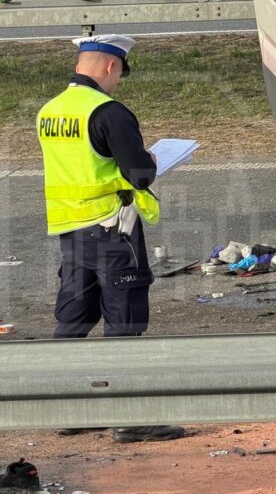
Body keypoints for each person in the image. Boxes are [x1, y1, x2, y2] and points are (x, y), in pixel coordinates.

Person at [37, 34, 184, 444]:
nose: (117, 81)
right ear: (109, 67)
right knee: (125, 319)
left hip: (71, 230)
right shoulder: (109, 112)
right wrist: (152, 161)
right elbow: (139, 174)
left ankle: (68, 410)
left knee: (74, 317)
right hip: (112, 229)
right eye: (119, 73)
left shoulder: (50, 111)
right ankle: (128, 418)